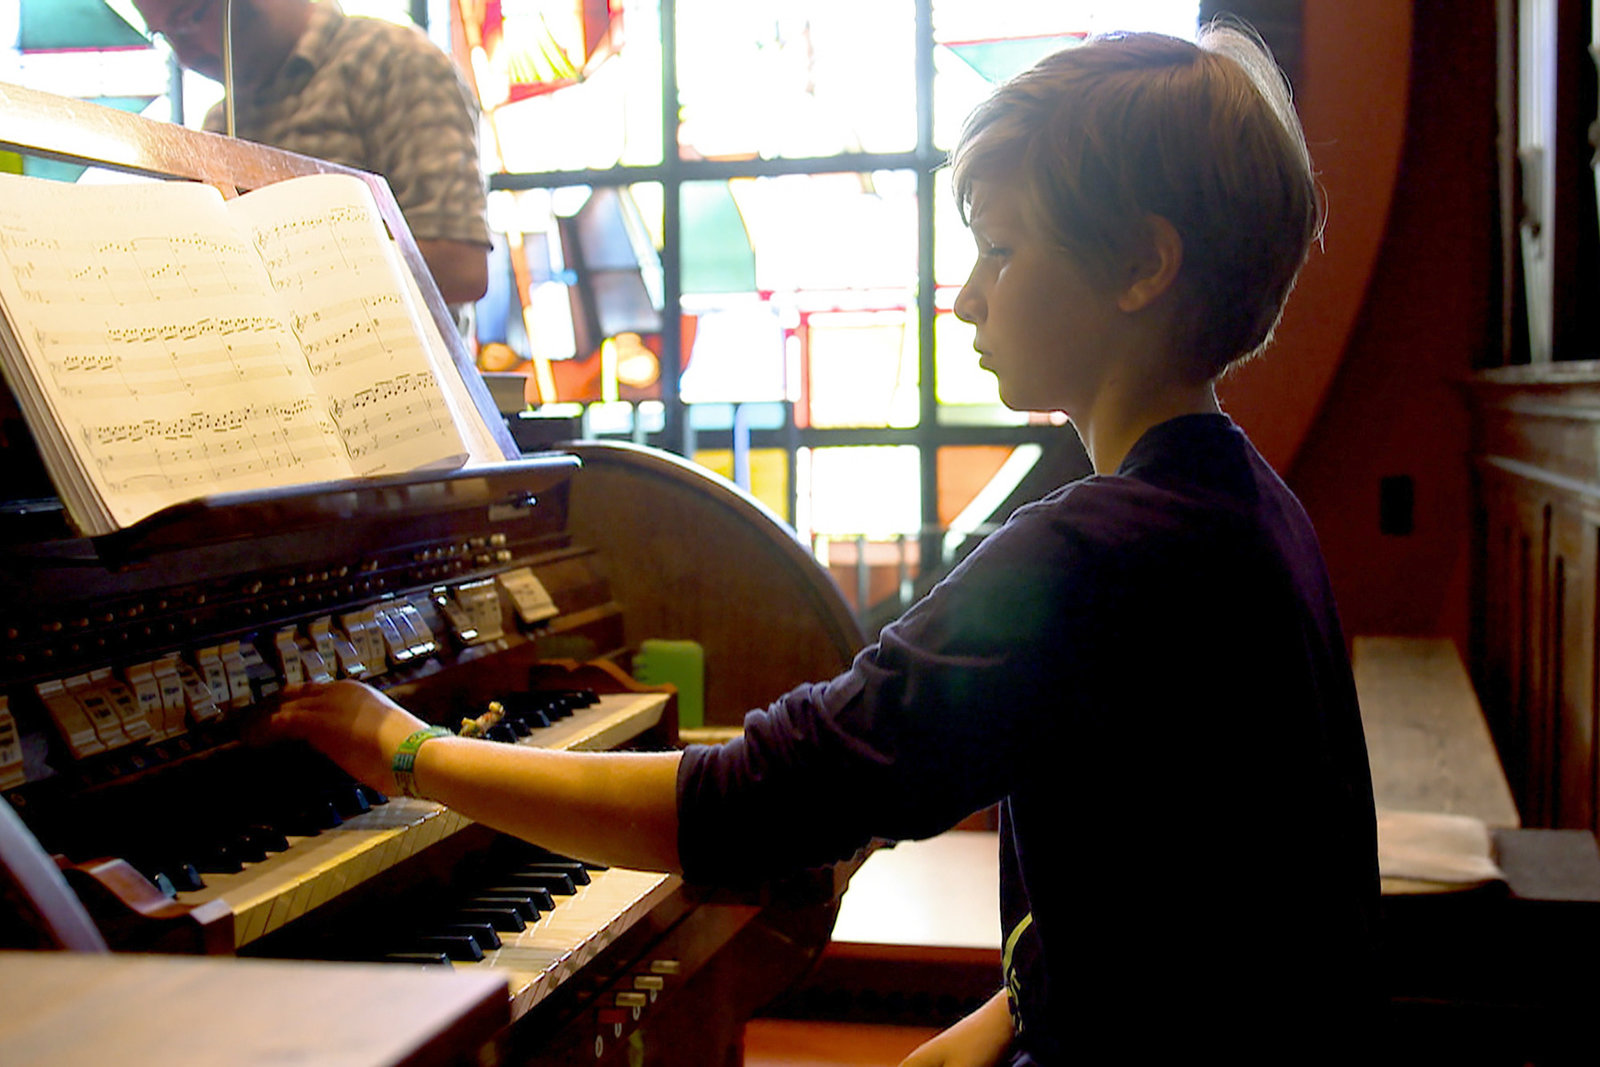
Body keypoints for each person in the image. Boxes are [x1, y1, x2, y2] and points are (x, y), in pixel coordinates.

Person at [272, 22, 1379, 1065]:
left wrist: (409, 752)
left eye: (1000, 249)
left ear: (1142, 264)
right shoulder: (1243, 503)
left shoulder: (1096, 554)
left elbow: (756, 802)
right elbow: (1174, 873)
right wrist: (996, 1021)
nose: (966, 298)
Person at [133, 0, 490, 305]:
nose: (185, 55)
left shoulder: (395, 61)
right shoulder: (221, 121)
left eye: (190, 19)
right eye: (165, 35)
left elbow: (462, 269)